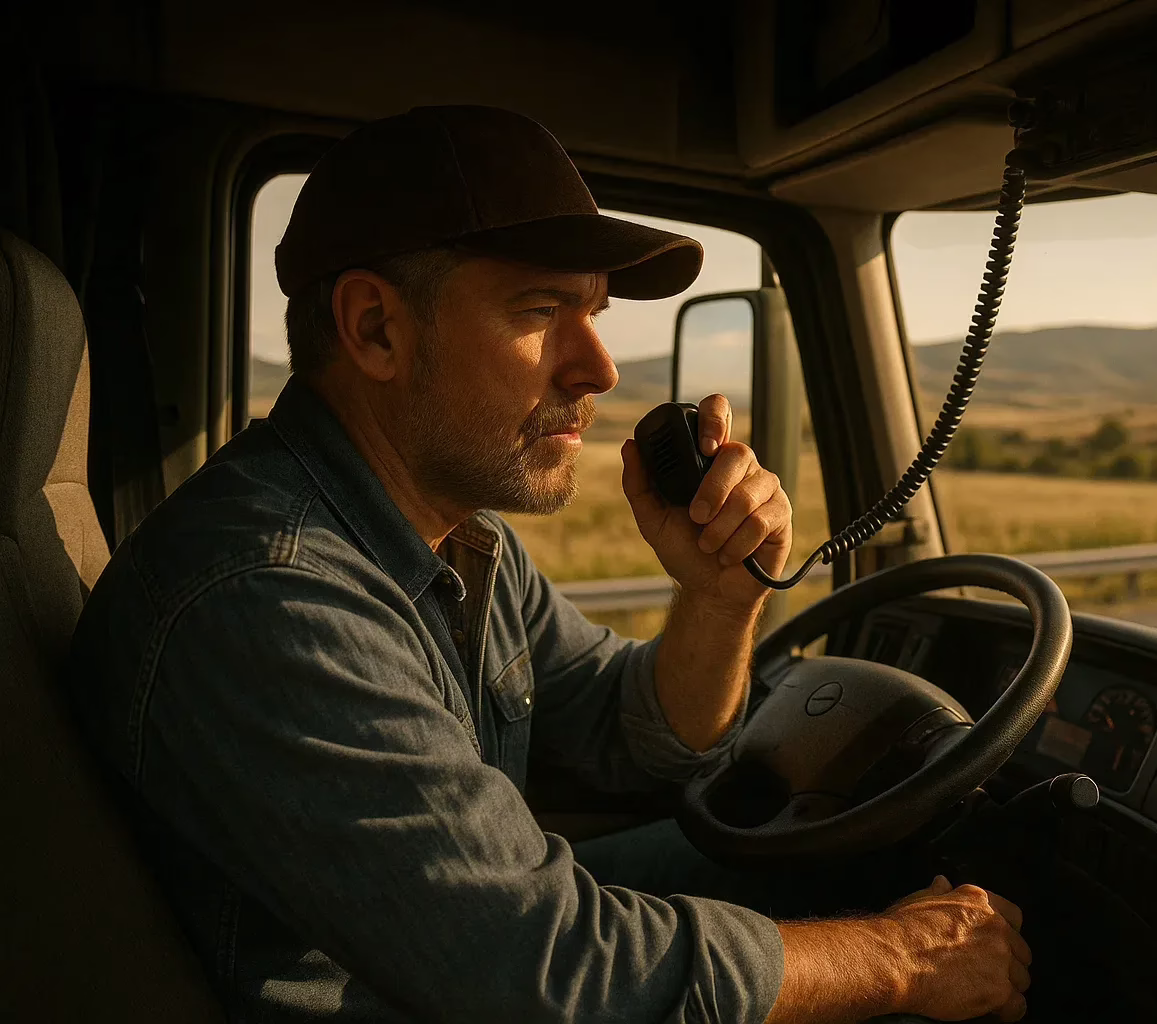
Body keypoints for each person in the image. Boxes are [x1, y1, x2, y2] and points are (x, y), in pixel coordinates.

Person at [68, 106, 1031, 1023]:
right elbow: (548, 976)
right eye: (542, 310)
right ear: (375, 329)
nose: (599, 369)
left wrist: (717, 600)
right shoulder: (271, 597)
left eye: (596, 314)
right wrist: (902, 961)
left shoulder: (456, 537)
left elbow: (630, 729)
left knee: (820, 869)